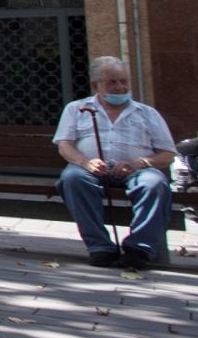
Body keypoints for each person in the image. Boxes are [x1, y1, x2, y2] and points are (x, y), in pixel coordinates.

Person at [52, 56, 176, 270]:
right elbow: (65, 146)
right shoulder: (77, 109)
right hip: (90, 170)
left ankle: (139, 249)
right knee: (72, 178)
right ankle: (100, 247)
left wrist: (140, 163)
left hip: (137, 170)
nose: (120, 87)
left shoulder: (147, 113)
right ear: (96, 86)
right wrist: (86, 162)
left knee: (154, 183)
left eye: (124, 81)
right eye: (112, 82)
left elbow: (168, 154)